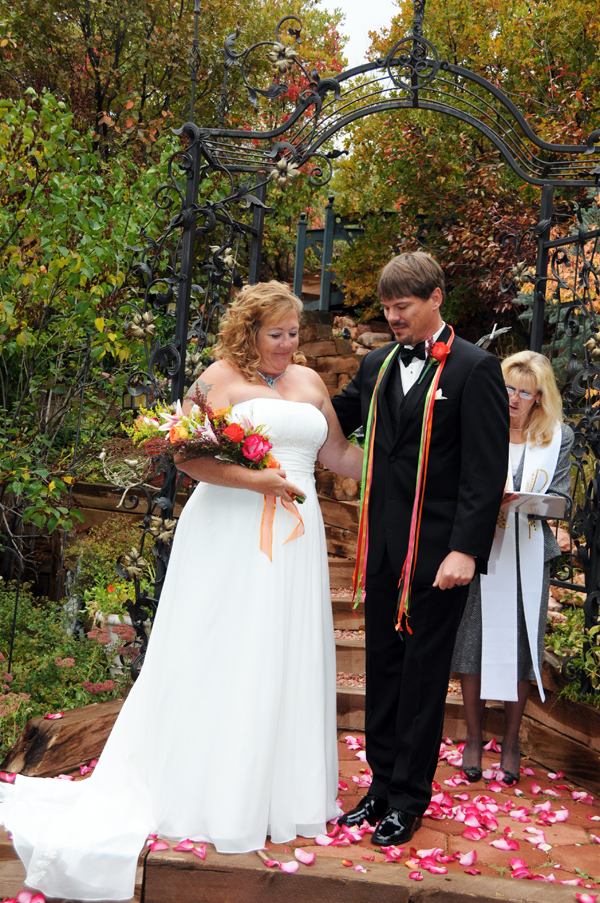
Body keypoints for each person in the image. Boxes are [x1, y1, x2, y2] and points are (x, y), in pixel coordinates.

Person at [0, 281, 363, 901]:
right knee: (220, 649)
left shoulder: (309, 384)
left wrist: (408, 465)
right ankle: (212, 790)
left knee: (284, 655)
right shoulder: (214, 380)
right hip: (230, 531)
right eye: (275, 333)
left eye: (294, 333)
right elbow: (187, 459)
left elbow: (336, 454)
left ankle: (279, 792)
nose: (287, 344)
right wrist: (257, 480)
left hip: (295, 540)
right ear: (248, 332)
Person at [332, 251, 509, 846]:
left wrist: (465, 550)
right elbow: (332, 418)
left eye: (401, 306)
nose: (392, 317)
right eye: (385, 308)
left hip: (439, 558)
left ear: (436, 297)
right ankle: (381, 784)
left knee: (423, 674)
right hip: (382, 547)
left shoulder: (475, 370)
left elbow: (485, 474)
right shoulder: (378, 363)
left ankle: (410, 796)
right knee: (382, 667)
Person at [452, 350, 573, 785]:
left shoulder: (559, 437)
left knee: (523, 645)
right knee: (472, 641)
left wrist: (529, 503)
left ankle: (511, 741)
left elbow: (563, 497)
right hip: (480, 548)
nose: (513, 399)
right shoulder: (478, 425)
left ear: (539, 398)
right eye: (507, 388)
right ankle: (471, 737)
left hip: (527, 551)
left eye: (525, 392)